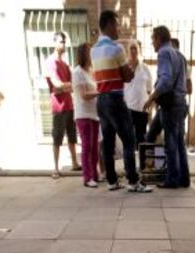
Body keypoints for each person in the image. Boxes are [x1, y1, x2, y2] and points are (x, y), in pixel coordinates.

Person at [91, 10, 152, 192]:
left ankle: (112, 181)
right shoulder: (116, 49)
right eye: (117, 24)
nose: (118, 28)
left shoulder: (94, 50)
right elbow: (127, 76)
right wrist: (128, 72)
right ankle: (133, 181)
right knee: (128, 140)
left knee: (108, 142)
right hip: (116, 98)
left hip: (101, 100)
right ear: (109, 24)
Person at [144, 26, 190, 189]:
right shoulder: (179, 54)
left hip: (170, 105)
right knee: (179, 143)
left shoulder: (164, 53)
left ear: (159, 38)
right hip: (180, 103)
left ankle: (171, 180)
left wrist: (151, 97)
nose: (152, 43)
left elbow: (165, 80)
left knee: (170, 144)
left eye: (153, 39)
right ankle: (184, 179)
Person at [45, 31, 81, 179]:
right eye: (60, 41)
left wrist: (64, 86)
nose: (63, 44)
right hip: (58, 107)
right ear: (54, 43)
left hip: (69, 105)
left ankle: (74, 163)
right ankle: (56, 168)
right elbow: (56, 85)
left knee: (72, 136)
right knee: (57, 137)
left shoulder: (65, 64)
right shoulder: (50, 62)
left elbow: (72, 85)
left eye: (64, 42)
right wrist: (66, 86)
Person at [146, 37, 192, 144]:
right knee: (156, 135)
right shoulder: (181, 61)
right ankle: (155, 158)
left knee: (170, 141)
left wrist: (153, 97)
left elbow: (187, 88)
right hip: (170, 104)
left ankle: (163, 159)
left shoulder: (176, 60)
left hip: (172, 104)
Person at [72, 43, 100, 188]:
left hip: (94, 114)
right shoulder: (77, 72)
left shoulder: (90, 71)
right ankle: (87, 177)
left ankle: (94, 174)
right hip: (83, 114)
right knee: (87, 147)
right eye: (90, 53)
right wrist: (100, 91)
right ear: (84, 55)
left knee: (95, 148)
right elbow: (84, 95)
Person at [124, 41, 153, 147]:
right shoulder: (124, 68)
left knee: (141, 137)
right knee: (128, 137)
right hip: (128, 108)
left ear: (138, 51)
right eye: (131, 48)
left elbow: (149, 89)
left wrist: (150, 105)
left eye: (135, 48)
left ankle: (141, 161)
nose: (133, 51)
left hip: (142, 107)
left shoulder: (145, 68)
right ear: (127, 51)